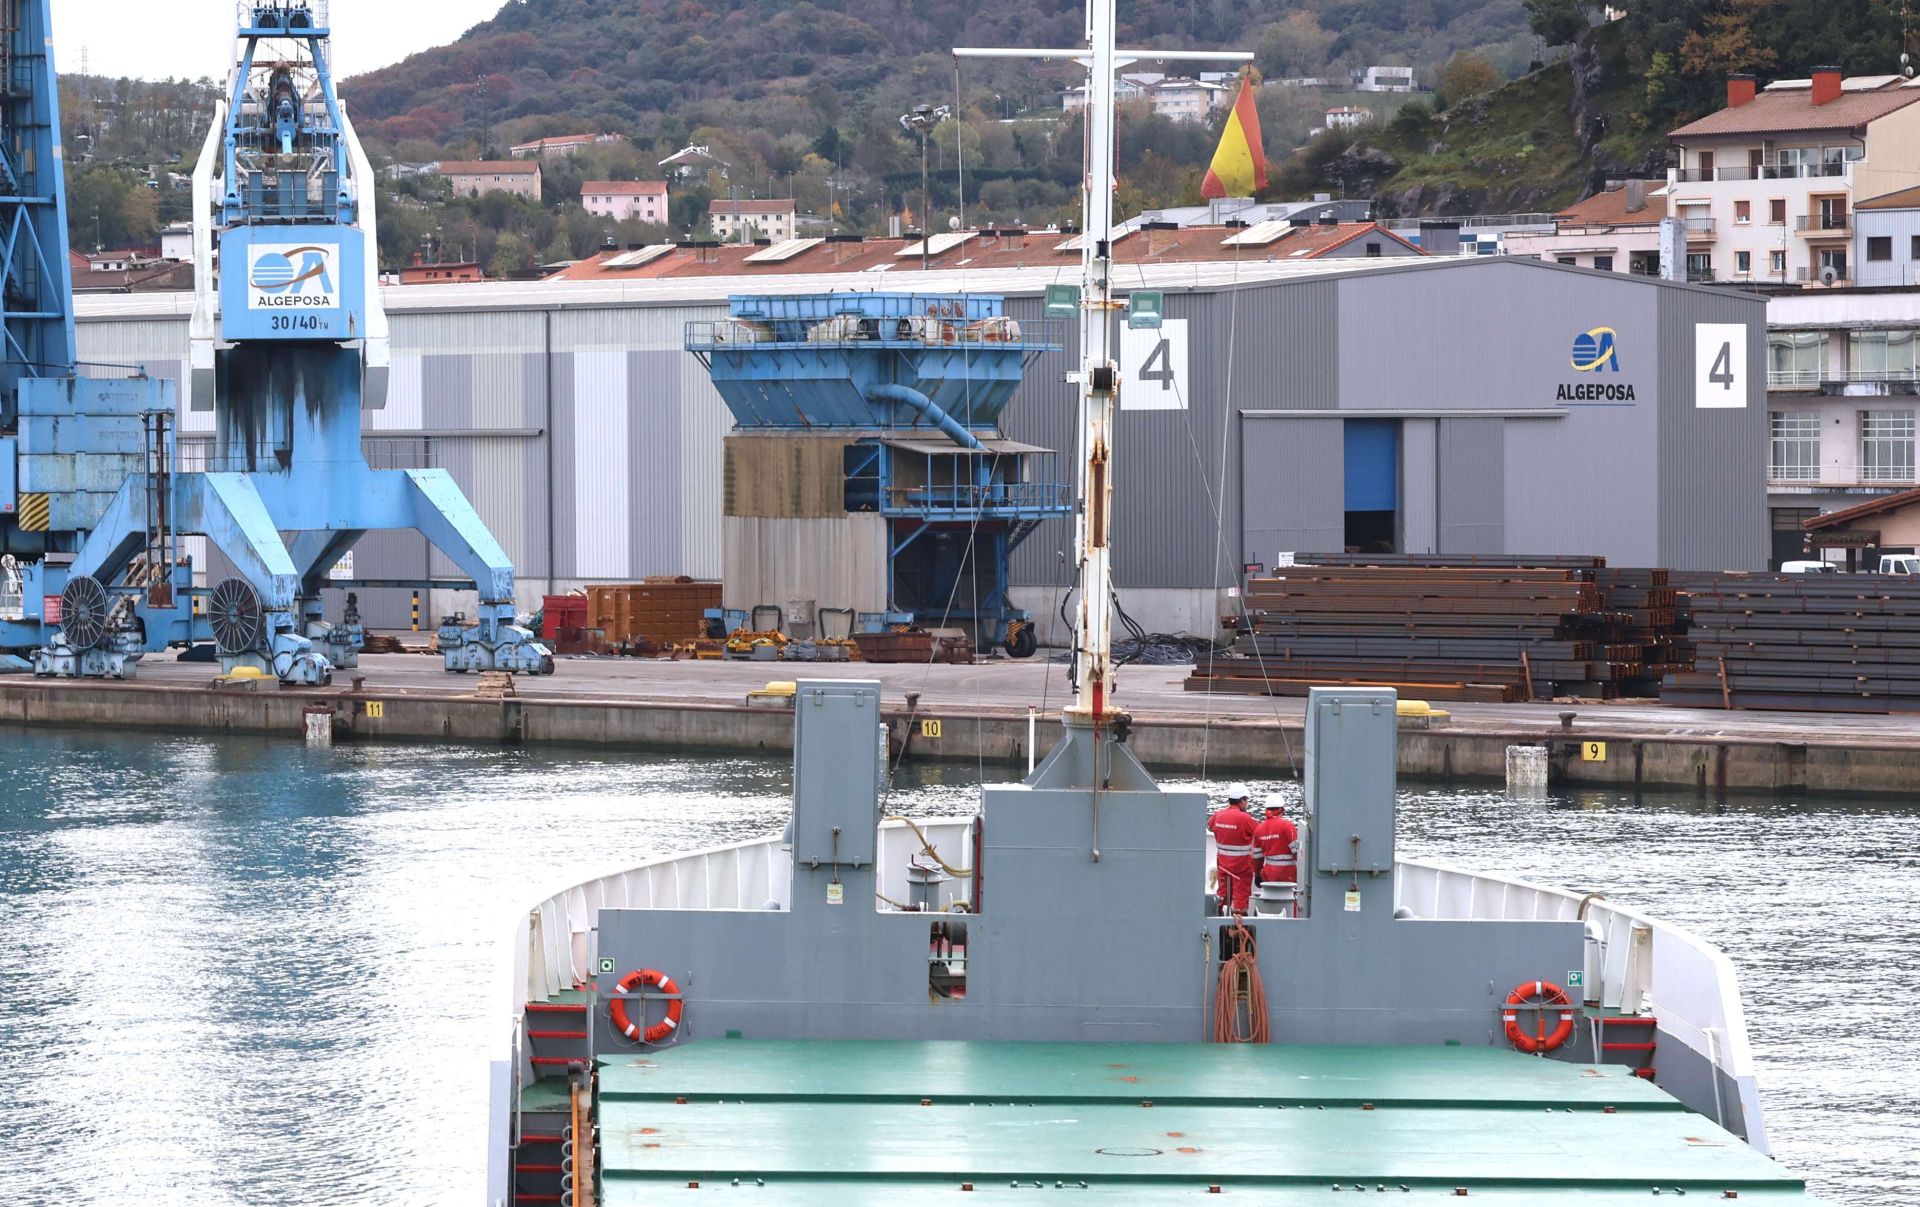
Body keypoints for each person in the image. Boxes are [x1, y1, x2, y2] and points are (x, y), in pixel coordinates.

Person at [1206, 783, 1258, 915]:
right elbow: (1258, 832)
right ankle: (1239, 927)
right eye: (1246, 800)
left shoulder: (1218, 815)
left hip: (1223, 865)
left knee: (1223, 893)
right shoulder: (1245, 819)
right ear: (1241, 801)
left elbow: (1210, 826)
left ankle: (1217, 916)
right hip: (1242, 867)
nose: (1247, 803)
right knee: (1241, 896)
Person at [1255, 798, 1300, 899]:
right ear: (1281, 810)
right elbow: (1297, 853)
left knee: (1271, 900)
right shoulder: (1287, 826)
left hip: (1268, 873)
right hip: (1287, 873)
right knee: (1289, 901)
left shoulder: (1259, 828)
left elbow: (1257, 858)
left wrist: (1257, 874)